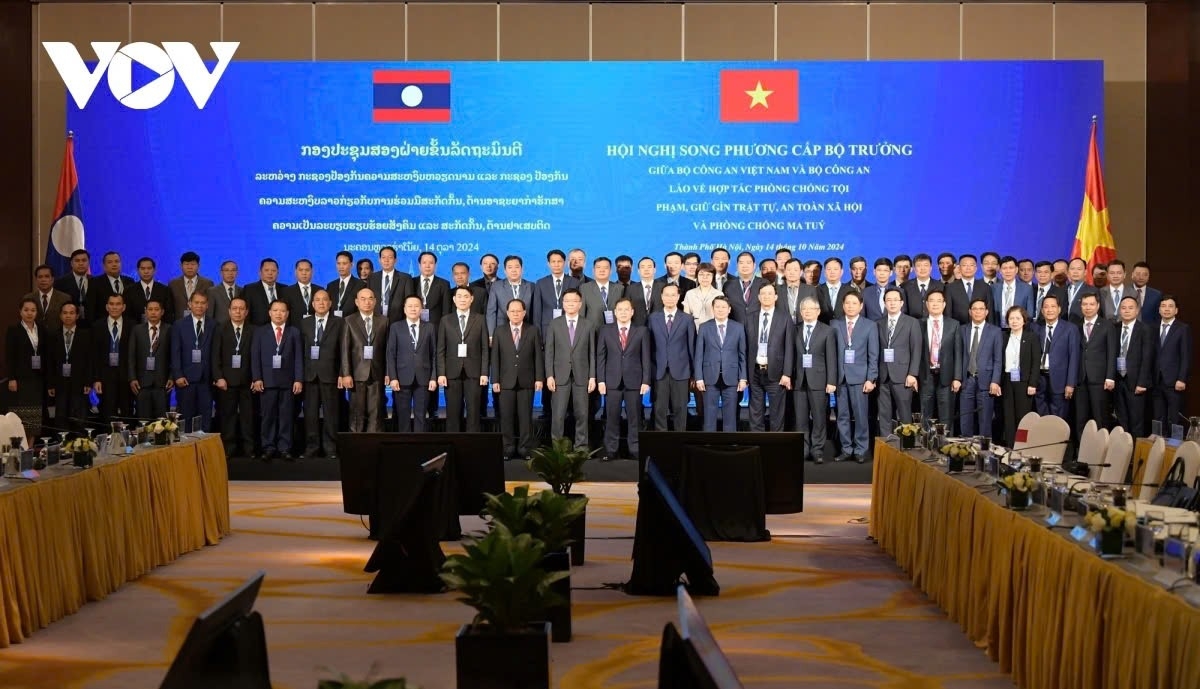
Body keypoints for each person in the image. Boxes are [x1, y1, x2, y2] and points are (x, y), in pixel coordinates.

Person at [596, 298, 651, 459]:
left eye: (627, 309)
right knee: (611, 417)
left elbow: (646, 358)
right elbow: (601, 357)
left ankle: (635, 450)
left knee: (635, 418)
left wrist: (646, 380)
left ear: (632, 312)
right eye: (620, 309)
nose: (623, 312)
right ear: (615, 312)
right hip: (612, 381)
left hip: (634, 381)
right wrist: (601, 380)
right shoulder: (605, 330)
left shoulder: (641, 331)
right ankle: (611, 450)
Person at [251, 299, 303, 460]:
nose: (279, 314)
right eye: (275, 310)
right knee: (268, 416)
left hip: (288, 382)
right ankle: (268, 447)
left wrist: (298, 379)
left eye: (282, 311)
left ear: (287, 314)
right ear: (270, 313)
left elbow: (298, 358)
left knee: (286, 416)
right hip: (267, 382)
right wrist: (257, 378)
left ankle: (284, 447)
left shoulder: (294, 332)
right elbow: (255, 357)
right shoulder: (260, 332)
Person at [491, 298, 543, 459]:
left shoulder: (533, 330)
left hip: (527, 380)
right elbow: (495, 358)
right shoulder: (499, 331)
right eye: (512, 311)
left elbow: (538, 357)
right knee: (505, 417)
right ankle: (507, 448)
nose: (515, 314)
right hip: (505, 381)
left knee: (525, 417)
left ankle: (524, 449)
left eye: (518, 311)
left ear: (524, 313)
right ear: (507, 313)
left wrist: (539, 378)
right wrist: (495, 380)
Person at [544, 288, 595, 448]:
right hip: (559, 376)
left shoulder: (588, 324)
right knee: (558, 415)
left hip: (582, 375)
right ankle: (558, 447)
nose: (570, 304)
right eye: (567, 301)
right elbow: (549, 352)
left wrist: (592, 376)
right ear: (563, 303)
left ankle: (581, 446)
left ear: (580, 304)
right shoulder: (554, 324)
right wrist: (549, 375)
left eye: (574, 301)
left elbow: (592, 352)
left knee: (582, 414)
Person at [437, 287, 490, 432]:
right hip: (451, 373)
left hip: (474, 372)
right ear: (454, 300)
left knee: (474, 413)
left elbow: (485, 348)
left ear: (471, 299)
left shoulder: (480, 319)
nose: (462, 299)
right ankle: (453, 446)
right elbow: (441, 349)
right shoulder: (445, 320)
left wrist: (484, 373)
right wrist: (441, 373)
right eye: (459, 296)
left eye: (466, 296)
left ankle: (472, 448)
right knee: (453, 413)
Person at [833, 292, 877, 462]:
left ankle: (860, 449)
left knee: (860, 416)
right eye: (847, 303)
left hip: (860, 379)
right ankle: (846, 449)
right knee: (842, 416)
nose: (850, 306)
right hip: (840, 378)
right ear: (843, 305)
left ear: (861, 306)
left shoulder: (869, 326)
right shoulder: (834, 324)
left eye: (854, 303)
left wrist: (871, 378)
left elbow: (873, 355)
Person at [793, 297, 837, 462]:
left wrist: (831, 381)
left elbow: (831, 358)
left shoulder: (827, 331)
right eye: (804, 309)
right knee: (800, 419)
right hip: (799, 380)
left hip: (819, 380)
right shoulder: (795, 329)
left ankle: (817, 449)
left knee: (819, 417)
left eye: (811, 309)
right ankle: (803, 449)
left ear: (818, 311)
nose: (807, 312)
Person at [745, 283, 793, 432]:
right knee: (755, 412)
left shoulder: (784, 317)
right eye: (763, 293)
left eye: (770, 293)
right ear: (758, 297)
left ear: (776, 297)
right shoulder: (750, 317)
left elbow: (789, 347)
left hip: (777, 372)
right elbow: (745, 346)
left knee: (777, 413)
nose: (766, 296)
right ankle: (757, 444)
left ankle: (774, 446)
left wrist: (787, 373)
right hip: (754, 371)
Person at [300, 290, 343, 458]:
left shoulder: (339, 323)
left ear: (330, 303)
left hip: (331, 374)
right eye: (317, 300)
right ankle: (312, 447)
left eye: (325, 300)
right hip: (309, 375)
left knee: (331, 413)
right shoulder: (305, 323)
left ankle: (330, 448)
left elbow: (343, 350)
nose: (321, 303)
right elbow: (300, 351)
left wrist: (341, 372)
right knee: (310, 413)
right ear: (312, 304)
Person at [340, 288, 389, 433]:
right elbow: (345, 349)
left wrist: (387, 372)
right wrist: (346, 374)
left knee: (376, 412)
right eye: (363, 299)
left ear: (375, 301)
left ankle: (373, 445)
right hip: (356, 374)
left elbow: (387, 350)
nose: (367, 302)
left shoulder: (384, 321)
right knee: (357, 413)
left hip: (377, 373)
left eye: (370, 298)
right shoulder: (349, 321)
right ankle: (357, 445)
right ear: (356, 301)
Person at [694, 296, 746, 432]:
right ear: (713, 309)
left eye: (724, 307)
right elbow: (699, 354)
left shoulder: (738, 328)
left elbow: (742, 355)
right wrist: (699, 377)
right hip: (709, 378)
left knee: (730, 417)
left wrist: (743, 378)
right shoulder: (704, 327)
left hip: (732, 378)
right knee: (709, 417)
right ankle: (709, 446)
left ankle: (729, 446)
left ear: (729, 310)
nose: (720, 310)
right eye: (717, 307)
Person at [387, 295, 438, 433]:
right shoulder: (396, 327)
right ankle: (405, 446)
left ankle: (419, 446)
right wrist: (393, 377)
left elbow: (434, 354)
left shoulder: (430, 327)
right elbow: (390, 354)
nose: (413, 309)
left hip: (424, 378)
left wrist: (433, 377)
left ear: (421, 309)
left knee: (421, 415)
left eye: (416, 306)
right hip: (401, 378)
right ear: (404, 309)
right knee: (403, 416)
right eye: (410, 306)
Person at [647, 283, 694, 431]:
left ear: (679, 297)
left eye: (673, 295)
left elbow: (691, 346)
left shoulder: (687, 319)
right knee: (659, 409)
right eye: (666, 295)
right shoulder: (653, 318)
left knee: (680, 409)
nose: (670, 298)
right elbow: (649, 347)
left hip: (681, 371)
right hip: (659, 370)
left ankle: (680, 443)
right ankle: (663, 445)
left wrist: (693, 373)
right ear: (661, 297)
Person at [212, 298, 255, 457]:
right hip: (226, 382)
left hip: (247, 382)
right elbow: (215, 356)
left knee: (248, 417)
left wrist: (255, 378)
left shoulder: (253, 330)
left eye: (241, 309)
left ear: (246, 312)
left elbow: (256, 357)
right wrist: (218, 377)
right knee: (227, 417)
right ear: (229, 311)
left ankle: (249, 449)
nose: (238, 312)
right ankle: (228, 450)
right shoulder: (220, 329)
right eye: (234, 308)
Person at [876, 287, 922, 431]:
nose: (892, 303)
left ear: (902, 303)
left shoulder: (911, 322)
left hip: (903, 376)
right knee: (884, 415)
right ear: (884, 303)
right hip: (882, 376)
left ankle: (906, 449)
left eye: (896, 300)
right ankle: (886, 448)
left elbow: (916, 349)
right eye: (888, 300)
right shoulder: (878, 323)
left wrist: (912, 374)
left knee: (904, 415)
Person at [170, 291, 215, 432]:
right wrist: (177, 375)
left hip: (207, 380)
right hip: (185, 380)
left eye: (203, 303)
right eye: (196, 303)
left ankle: (204, 451)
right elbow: (175, 352)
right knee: (186, 418)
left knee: (205, 418)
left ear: (207, 305)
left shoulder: (214, 325)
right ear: (189, 304)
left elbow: (216, 352)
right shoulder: (179, 325)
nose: (199, 306)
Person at [958, 299, 1002, 439]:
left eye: (981, 309)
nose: (977, 312)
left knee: (985, 420)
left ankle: (984, 454)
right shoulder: (962, 329)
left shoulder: (995, 331)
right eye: (974, 309)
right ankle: (965, 451)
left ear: (986, 312)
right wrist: (957, 378)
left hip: (987, 381)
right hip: (967, 380)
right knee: (965, 419)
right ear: (970, 312)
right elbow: (958, 356)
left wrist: (995, 381)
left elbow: (998, 359)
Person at [5, 297, 47, 443]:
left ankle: (30, 448)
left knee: (35, 416)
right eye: (26, 310)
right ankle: (19, 448)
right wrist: (11, 378)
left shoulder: (41, 329)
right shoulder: (14, 330)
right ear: (20, 311)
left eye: (33, 310)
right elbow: (9, 356)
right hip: (21, 379)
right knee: (21, 415)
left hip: (37, 379)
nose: (29, 313)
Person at [1113, 296, 1154, 438]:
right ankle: (1124, 452)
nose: (1127, 311)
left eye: (1131, 308)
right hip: (1118, 380)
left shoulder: (1145, 329)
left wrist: (1142, 382)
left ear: (1137, 311)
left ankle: (1136, 457)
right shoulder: (1115, 328)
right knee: (1121, 419)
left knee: (1136, 421)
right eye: (1123, 308)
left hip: (1136, 382)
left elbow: (1147, 358)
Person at [47, 302, 92, 431]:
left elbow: (90, 360)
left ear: (77, 315)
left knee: (79, 418)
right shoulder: (53, 335)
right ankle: (63, 446)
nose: (68, 316)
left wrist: (88, 382)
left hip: (79, 382)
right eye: (65, 313)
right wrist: (51, 384)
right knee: (61, 418)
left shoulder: (86, 335)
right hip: (60, 383)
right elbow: (50, 362)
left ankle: (79, 446)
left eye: (71, 313)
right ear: (60, 316)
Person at [1075, 293, 1116, 432]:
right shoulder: (1076, 325)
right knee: (1080, 419)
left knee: (1100, 417)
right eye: (1085, 304)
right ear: (1081, 306)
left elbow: (1112, 353)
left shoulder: (1107, 325)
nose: (1088, 307)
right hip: (1080, 379)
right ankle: (1082, 450)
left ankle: (1101, 451)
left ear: (1098, 306)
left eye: (1091, 304)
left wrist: (1110, 377)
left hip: (1099, 379)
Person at [1034, 294, 1079, 422]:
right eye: (1046, 307)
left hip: (1060, 381)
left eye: (1053, 306)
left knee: (1058, 418)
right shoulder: (1037, 328)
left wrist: (1070, 383)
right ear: (1042, 311)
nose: (1049, 310)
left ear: (1059, 309)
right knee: (1041, 417)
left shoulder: (1070, 329)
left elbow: (1074, 358)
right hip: (1040, 379)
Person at [1000, 306, 1041, 446]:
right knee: (1008, 416)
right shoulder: (1003, 336)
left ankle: (1022, 446)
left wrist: (1033, 383)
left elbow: (1036, 362)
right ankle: (1011, 446)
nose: (1014, 321)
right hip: (1007, 380)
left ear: (1024, 320)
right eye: (1011, 318)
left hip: (1024, 382)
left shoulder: (1031, 337)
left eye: (1018, 318)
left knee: (1022, 417)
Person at [918, 289, 960, 424]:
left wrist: (957, 377)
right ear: (926, 304)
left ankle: (946, 444)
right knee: (925, 415)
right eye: (931, 301)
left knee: (946, 416)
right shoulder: (918, 324)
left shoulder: (953, 324)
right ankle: (926, 444)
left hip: (946, 376)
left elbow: (958, 353)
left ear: (944, 304)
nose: (935, 304)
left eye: (939, 301)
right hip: (925, 376)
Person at [127, 299, 172, 421]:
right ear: (145, 312)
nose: (153, 313)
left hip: (162, 383)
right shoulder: (137, 330)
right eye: (150, 310)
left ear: (162, 312)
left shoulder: (169, 329)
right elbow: (131, 356)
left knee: (162, 423)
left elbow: (174, 355)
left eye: (156, 310)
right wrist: (132, 378)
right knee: (143, 421)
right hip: (142, 383)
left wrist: (172, 377)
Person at [91, 293, 133, 423]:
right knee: (107, 413)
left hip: (126, 376)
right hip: (105, 377)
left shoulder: (133, 326)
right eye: (112, 304)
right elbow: (94, 356)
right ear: (107, 307)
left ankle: (127, 441)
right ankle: (108, 441)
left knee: (127, 412)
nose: (115, 307)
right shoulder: (97, 326)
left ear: (124, 307)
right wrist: (96, 379)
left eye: (118, 304)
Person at [1154, 295, 1190, 431]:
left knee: (1174, 417)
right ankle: (1158, 445)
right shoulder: (1153, 327)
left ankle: (1174, 446)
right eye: (1163, 306)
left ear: (1176, 310)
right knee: (1158, 416)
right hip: (1156, 380)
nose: (1166, 309)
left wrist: (1182, 378)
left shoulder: (1182, 328)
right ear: (1159, 310)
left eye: (1170, 306)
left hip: (1174, 381)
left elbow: (1185, 356)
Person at [168, 251, 213, 319]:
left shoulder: (208, 284)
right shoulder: (173, 284)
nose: (190, 267)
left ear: (198, 266)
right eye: (186, 264)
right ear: (181, 266)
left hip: (201, 322)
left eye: (193, 264)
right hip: (179, 323)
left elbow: (209, 306)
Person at [682, 263, 722, 329]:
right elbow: (686, 317)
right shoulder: (690, 294)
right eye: (701, 274)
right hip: (694, 329)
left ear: (713, 277)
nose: (705, 277)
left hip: (713, 330)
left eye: (708, 275)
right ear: (697, 276)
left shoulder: (719, 294)